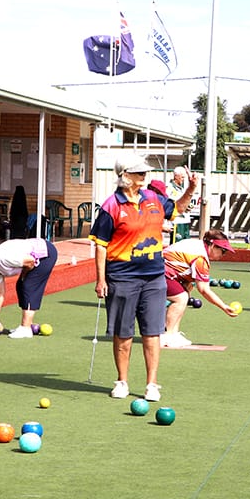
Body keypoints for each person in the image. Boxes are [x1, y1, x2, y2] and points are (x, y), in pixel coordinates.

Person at [89, 153, 197, 403]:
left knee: (152, 333)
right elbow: (101, 245)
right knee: (123, 334)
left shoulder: (153, 198)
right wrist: (101, 279)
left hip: (154, 278)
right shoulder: (111, 206)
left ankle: (151, 384)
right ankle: (122, 381)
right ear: (124, 176)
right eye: (139, 173)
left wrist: (190, 189)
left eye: (145, 172)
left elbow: (177, 209)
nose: (144, 176)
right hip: (122, 278)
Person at [161, 228, 239, 347]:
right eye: (223, 251)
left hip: (161, 270)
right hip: (158, 272)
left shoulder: (197, 245)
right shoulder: (200, 258)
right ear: (212, 245)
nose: (223, 255)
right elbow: (203, 289)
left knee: (185, 293)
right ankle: (167, 336)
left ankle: (174, 333)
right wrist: (224, 307)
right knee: (180, 298)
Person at [0, 236, 58, 339]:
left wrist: (24, 277)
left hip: (46, 254)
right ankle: (28, 324)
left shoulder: (3, 258)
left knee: (28, 286)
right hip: (35, 257)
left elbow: (31, 262)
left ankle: (26, 328)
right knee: (20, 286)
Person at [166, 166, 193, 243]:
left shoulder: (182, 188)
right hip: (176, 221)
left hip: (185, 220)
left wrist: (188, 205)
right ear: (176, 176)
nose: (183, 179)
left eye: (184, 177)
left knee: (186, 245)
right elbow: (169, 203)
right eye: (182, 177)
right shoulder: (169, 188)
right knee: (176, 245)